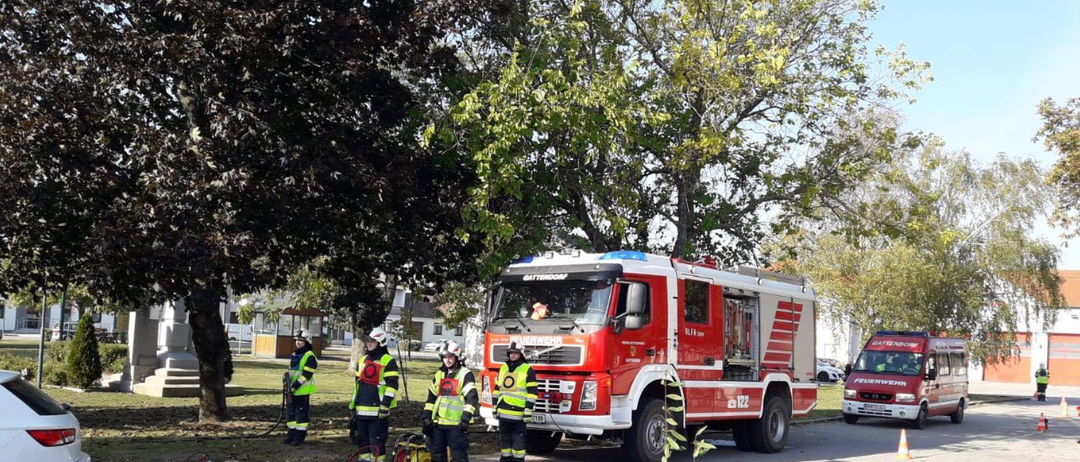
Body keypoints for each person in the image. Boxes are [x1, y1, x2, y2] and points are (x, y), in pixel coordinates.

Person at [422, 341, 478, 462]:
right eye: (444, 357)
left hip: (456, 425)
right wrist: (426, 418)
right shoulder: (439, 375)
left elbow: (472, 398)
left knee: (459, 456)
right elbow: (431, 398)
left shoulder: (465, 374)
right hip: (438, 424)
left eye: (450, 357)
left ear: (457, 357)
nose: (447, 360)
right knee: (437, 455)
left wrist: (465, 420)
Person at [350, 327, 399, 462]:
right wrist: (354, 407)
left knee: (376, 442)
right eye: (368, 341)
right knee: (362, 441)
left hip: (378, 411)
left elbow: (392, 385)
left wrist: (385, 405)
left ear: (381, 343)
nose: (369, 344)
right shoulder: (363, 360)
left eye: (373, 341)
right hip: (361, 409)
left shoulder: (388, 361)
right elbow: (358, 385)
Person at [494, 341, 538, 462]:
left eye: (515, 353)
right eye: (511, 353)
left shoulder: (528, 369)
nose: (512, 355)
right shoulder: (503, 368)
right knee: (504, 444)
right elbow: (497, 388)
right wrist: (494, 406)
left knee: (518, 445)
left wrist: (528, 409)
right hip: (503, 412)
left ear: (521, 354)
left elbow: (532, 392)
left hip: (518, 414)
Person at [285, 330, 318, 446]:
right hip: (291, 390)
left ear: (307, 341)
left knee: (300, 416)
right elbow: (292, 371)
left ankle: (299, 438)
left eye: (301, 340)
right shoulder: (295, 355)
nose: (298, 342)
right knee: (291, 415)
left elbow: (306, 375)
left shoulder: (310, 356)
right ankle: (291, 435)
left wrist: (295, 386)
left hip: (302, 391)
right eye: (297, 340)